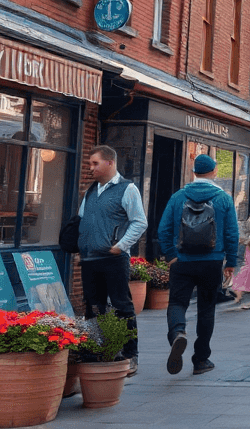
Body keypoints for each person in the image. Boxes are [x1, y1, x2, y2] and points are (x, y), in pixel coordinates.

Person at [157, 154, 239, 376]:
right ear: (214, 172)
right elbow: (232, 233)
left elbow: (163, 229)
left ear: (194, 172)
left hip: (182, 261)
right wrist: (231, 261)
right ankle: (201, 360)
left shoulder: (177, 197)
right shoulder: (223, 199)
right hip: (212, 261)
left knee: (177, 302)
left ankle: (178, 333)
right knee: (206, 309)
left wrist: (171, 255)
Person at [77, 145, 147, 374]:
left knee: (122, 306)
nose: (91, 168)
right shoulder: (91, 191)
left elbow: (140, 222)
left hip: (113, 259)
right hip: (89, 259)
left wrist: (120, 246)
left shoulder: (127, 189)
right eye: (90, 163)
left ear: (110, 163)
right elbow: (81, 218)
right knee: (93, 307)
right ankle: (96, 352)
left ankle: (130, 355)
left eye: (95, 163)